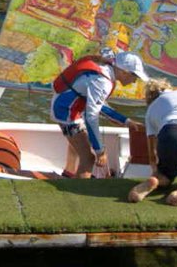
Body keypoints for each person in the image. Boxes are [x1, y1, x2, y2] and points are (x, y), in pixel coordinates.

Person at [50, 51, 146, 179]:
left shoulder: (105, 71)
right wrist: (100, 151)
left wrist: (126, 121)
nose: (134, 81)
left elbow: (100, 106)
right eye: (135, 76)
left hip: (66, 107)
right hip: (67, 113)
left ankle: (69, 174)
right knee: (88, 159)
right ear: (124, 71)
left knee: (81, 143)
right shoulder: (103, 81)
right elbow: (91, 118)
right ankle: (76, 193)